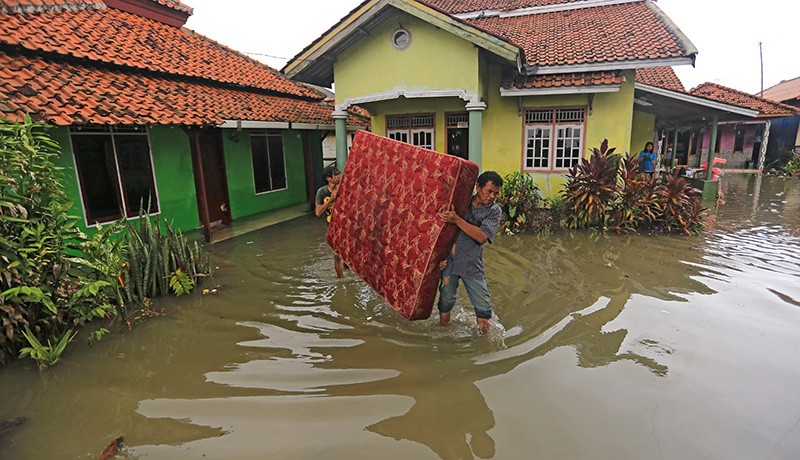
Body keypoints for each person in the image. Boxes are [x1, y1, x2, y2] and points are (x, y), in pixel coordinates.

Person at [437, 171, 503, 334]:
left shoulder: (494, 211)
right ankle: (444, 334)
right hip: (450, 261)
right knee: (446, 300)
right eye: (489, 191)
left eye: (496, 193)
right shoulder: (461, 202)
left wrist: (457, 219)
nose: (492, 196)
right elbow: (439, 229)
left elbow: (481, 237)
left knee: (483, 308)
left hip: (472, 263)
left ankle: (484, 343)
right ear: (478, 187)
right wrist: (438, 257)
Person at [315, 165, 344, 278]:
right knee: (337, 256)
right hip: (333, 228)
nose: (338, 177)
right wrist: (331, 199)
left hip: (345, 227)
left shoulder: (343, 189)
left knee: (348, 254)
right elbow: (318, 213)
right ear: (328, 178)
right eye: (336, 175)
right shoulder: (322, 192)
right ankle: (341, 281)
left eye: (338, 174)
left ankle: (348, 271)